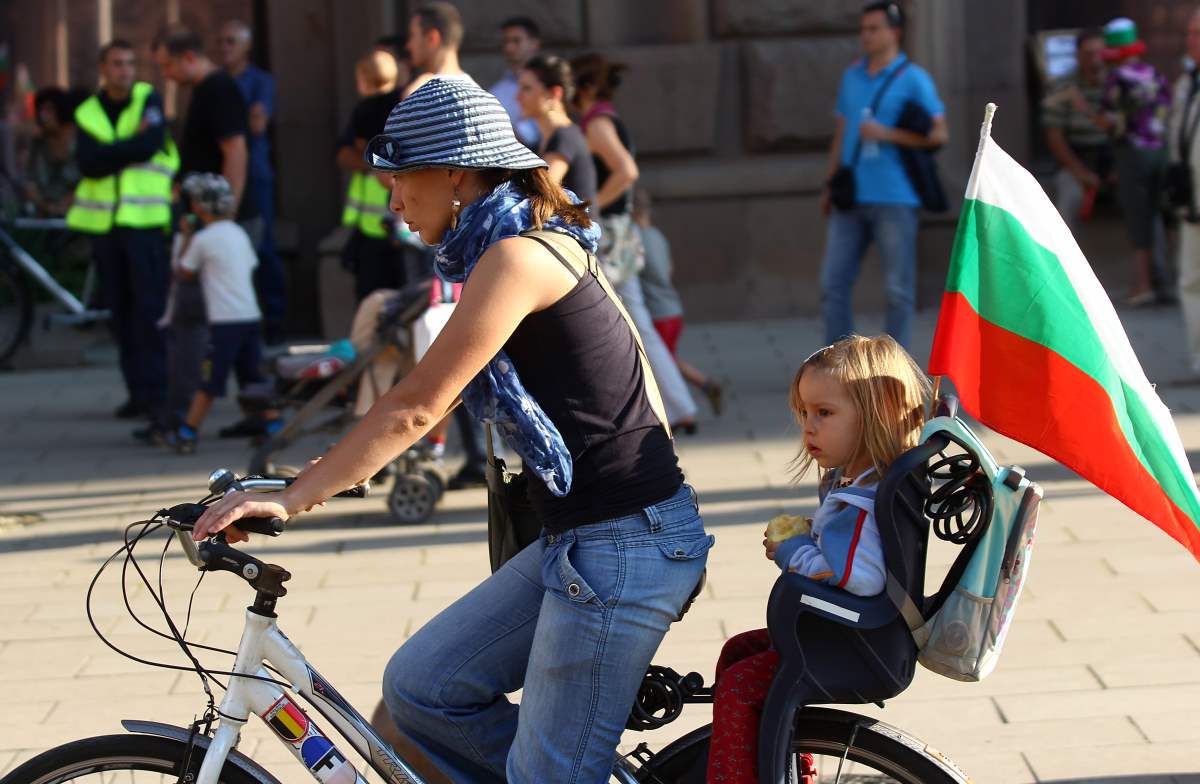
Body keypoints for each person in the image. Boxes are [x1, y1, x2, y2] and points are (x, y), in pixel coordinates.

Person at [193, 77, 712, 783]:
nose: (394, 202)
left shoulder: (519, 258)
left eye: (402, 181)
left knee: (546, 775)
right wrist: (317, 471)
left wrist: (294, 497)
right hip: (595, 537)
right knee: (420, 691)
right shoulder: (540, 244)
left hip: (621, 543)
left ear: (455, 172)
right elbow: (641, 382)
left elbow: (417, 407)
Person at [705, 334, 929, 784]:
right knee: (738, 654)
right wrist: (810, 534)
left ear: (880, 411)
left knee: (741, 685)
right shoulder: (861, 482)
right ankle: (790, 759)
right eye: (804, 413)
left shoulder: (859, 500)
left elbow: (856, 576)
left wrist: (792, 550)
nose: (809, 427)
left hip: (856, 644)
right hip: (852, 636)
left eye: (824, 413)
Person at [572, 52, 700, 431]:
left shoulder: (596, 124)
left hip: (609, 232)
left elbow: (626, 171)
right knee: (635, 322)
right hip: (619, 229)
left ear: (583, 89)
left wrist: (589, 207)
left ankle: (672, 408)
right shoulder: (607, 117)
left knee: (622, 323)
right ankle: (677, 406)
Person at [818, 1, 947, 349]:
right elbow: (842, 133)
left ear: (895, 32)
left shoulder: (914, 79)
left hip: (896, 196)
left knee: (897, 289)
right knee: (833, 283)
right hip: (851, 194)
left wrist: (888, 134)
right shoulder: (852, 75)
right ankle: (837, 360)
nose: (867, 35)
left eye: (874, 29)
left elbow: (939, 134)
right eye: (864, 29)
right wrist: (830, 183)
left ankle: (894, 363)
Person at [68, 39, 178, 420]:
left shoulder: (148, 98)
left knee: (149, 312)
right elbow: (88, 164)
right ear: (103, 68)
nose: (125, 71)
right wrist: (127, 147)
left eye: (131, 63)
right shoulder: (86, 111)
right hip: (106, 228)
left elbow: (149, 147)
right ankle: (136, 392)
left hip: (145, 225)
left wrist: (113, 150)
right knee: (121, 313)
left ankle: (157, 393)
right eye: (117, 64)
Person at [170, 173, 278, 454]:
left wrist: (184, 236)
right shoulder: (238, 233)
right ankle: (274, 425)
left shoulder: (202, 239)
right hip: (250, 316)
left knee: (209, 381)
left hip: (223, 323)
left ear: (198, 208)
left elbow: (184, 271)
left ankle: (187, 430)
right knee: (253, 376)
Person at [218, 19, 286, 341]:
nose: (225, 48)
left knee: (262, 247)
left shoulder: (259, 81)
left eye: (232, 41)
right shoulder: (217, 82)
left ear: (246, 46)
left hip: (255, 174)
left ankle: (273, 320)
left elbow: (258, 123)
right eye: (222, 42)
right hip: (221, 173)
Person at [1099, 17, 1174, 307]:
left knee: (1139, 217)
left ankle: (1143, 284)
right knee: (1165, 215)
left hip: (1132, 154)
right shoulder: (1154, 74)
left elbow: (1112, 123)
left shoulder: (1117, 79)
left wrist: (1086, 111)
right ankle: (1167, 279)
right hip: (1161, 151)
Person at [633, 188, 723, 415]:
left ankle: (703, 385)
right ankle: (698, 389)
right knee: (667, 359)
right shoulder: (657, 236)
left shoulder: (634, 240)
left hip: (656, 313)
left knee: (662, 361)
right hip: (673, 308)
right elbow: (669, 268)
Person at [154, 27, 251, 222]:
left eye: (168, 65)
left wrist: (225, 213)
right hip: (202, 213)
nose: (165, 74)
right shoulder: (203, 88)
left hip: (221, 217)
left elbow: (235, 151)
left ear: (189, 57)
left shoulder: (219, 89)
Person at [338, 50, 408, 302]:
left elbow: (352, 147)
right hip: (404, 215)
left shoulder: (365, 110)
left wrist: (367, 155)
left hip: (374, 220)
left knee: (371, 292)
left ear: (364, 80)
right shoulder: (403, 105)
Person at [1042, 28, 1112, 235]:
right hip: (1077, 160)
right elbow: (1054, 136)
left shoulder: (1118, 82)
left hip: (1115, 158)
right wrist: (1081, 173)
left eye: (1100, 53)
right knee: (1068, 199)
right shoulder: (1062, 87)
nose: (1095, 61)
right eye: (1089, 54)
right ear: (1078, 56)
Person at [516, 54, 596, 202]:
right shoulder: (544, 139)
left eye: (526, 88)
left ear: (554, 93)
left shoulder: (565, 136)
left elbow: (541, 192)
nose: (517, 97)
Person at [1171, 7, 1200, 377]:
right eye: (1190, 32)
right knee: (1192, 280)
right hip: (1189, 200)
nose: (1190, 40)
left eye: (1197, 33)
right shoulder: (1186, 82)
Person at [22, 87, 80, 217]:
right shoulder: (38, 144)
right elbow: (29, 180)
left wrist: (68, 202)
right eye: (41, 110)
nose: (44, 116)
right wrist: (45, 205)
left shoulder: (82, 141)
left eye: (49, 109)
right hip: (45, 217)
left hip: (80, 216)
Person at [491, 16, 541, 148]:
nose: (509, 47)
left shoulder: (548, 84)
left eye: (516, 41)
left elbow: (536, 132)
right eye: (506, 41)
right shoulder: (496, 90)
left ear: (534, 44)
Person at [404, 2, 471, 98]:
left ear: (432, 38)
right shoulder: (477, 93)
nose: (408, 45)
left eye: (412, 35)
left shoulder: (421, 95)